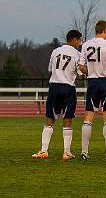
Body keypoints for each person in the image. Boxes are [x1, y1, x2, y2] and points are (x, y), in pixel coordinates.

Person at [32, 30, 82, 160]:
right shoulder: (77, 54)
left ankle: (44, 150)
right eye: (79, 40)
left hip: (54, 86)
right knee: (68, 118)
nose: (80, 43)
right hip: (68, 88)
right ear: (74, 40)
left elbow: (50, 69)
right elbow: (81, 72)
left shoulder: (55, 51)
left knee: (50, 118)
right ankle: (66, 152)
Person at [79, 20, 106, 160]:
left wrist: (90, 70)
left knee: (88, 116)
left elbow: (81, 67)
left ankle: (84, 152)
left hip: (92, 82)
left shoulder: (85, 44)